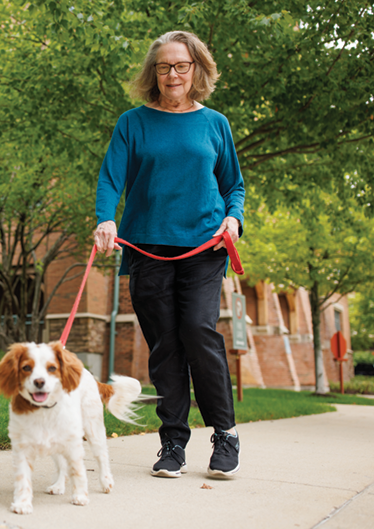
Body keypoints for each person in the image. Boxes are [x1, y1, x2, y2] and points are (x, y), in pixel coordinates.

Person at [94, 30, 245, 478]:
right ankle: (173, 444)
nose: (172, 74)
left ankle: (225, 433)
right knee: (163, 346)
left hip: (202, 246)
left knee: (198, 331)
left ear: (196, 69)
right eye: (164, 67)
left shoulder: (215, 123)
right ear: (153, 72)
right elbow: (110, 179)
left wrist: (233, 219)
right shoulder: (133, 122)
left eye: (181, 65)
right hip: (147, 246)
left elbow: (233, 185)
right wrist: (106, 218)